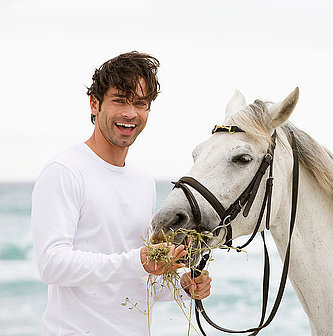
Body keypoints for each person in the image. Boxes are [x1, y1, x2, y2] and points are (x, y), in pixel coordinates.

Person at [31, 52, 211, 335]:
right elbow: (52, 265)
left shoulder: (143, 181)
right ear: (94, 103)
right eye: (120, 100)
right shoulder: (64, 170)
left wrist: (183, 285)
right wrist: (138, 260)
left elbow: (135, 279)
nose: (130, 113)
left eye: (140, 103)